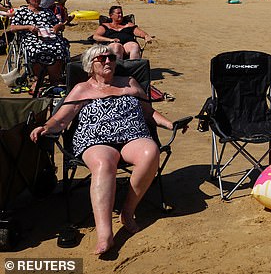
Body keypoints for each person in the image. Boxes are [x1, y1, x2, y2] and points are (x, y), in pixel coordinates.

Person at [30, 45, 188, 255]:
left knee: (151, 152)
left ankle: (128, 212)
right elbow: (61, 118)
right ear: (89, 65)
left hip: (133, 135)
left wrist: (170, 124)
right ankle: (105, 235)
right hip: (95, 139)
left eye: (111, 57)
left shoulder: (129, 82)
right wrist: (47, 127)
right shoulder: (81, 89)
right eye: (101, 58)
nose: (107, 61)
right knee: (105, 164)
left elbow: (149, 112)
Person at [9, 0, 69, 91]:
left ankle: (54, 80)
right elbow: (13, 28)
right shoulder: (21, 11)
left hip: (50, 37)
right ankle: (37, 79)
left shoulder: (47, 12)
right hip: (32, 38)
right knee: (36, 50)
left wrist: (57, 27)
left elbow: (60, 25)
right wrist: (28, 27)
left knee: (60, 48)